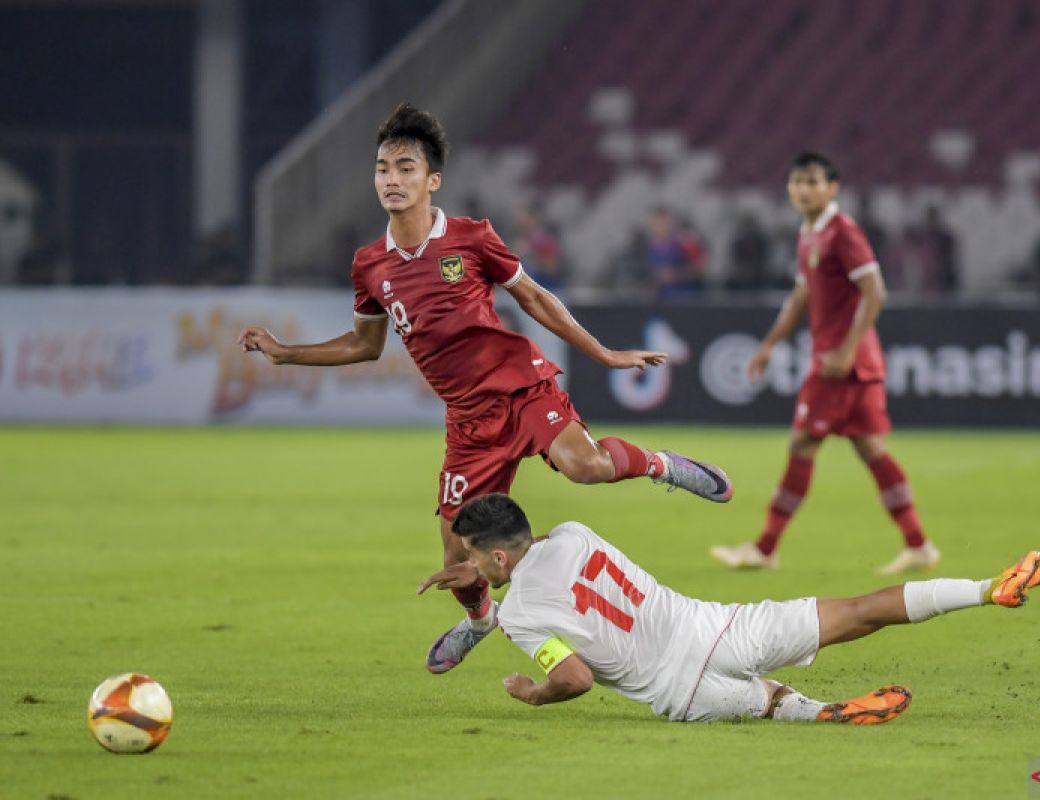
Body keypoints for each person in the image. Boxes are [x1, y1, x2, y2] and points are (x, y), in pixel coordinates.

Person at [237, 103, 733, 674]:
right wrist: (284, 352)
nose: (391, 180)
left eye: (405, 168)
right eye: (382, 169)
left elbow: (536, 298)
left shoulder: (472, 238)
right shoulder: (369, 265)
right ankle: (479, 621)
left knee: (586, 467)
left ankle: (662, 466)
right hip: (468, 421)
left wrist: (603, 353)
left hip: (520, 387)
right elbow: (364, 345)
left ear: (432, 180)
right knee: (459, 558)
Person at [419, 494, 1040, 724]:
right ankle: (987, 587)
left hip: (681, 693)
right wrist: (485, 571)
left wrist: (533, 694)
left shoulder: (522, 614)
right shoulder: (576, 533)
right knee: (859, 610)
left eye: (473, 556)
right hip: (717, 629)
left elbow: (575, 677)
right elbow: (540, 559)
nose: (470, 565)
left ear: (499, 561)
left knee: (769, 704)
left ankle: (828, 712)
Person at [710, 152, 939, 574]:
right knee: (871, 449)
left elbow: (876, 292)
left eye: (813, 182)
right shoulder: (809, 232)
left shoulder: (843, 232)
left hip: (840, 363)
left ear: (832, 187)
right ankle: (918, 544)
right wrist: (769, 344)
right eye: (797, 182)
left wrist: (849, 349)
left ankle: (764, 548)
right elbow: (802, 296)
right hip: (849, 361)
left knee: (802, 444)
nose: (804, 189)